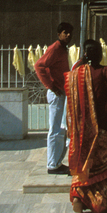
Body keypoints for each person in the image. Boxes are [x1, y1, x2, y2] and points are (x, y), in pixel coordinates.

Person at [66, 39, 107, 213]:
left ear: (84, 54)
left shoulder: (75, 74)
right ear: (100, 54)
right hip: (104, 129)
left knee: (86, 165)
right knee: (104, 167)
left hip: (82, 132)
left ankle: (79, 196)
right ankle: (99, 203)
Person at [34, 21, 74, 174]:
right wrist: (51, 86)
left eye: (70, 32)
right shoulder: (55, 48)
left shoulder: (63, 49)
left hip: (61, 92)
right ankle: (52, 164)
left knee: (60, 129)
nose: (68, 35)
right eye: (65, 32)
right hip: (56, 93)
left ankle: (56, 162)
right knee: (56, 129)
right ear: (59, 34)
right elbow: (39, 66)